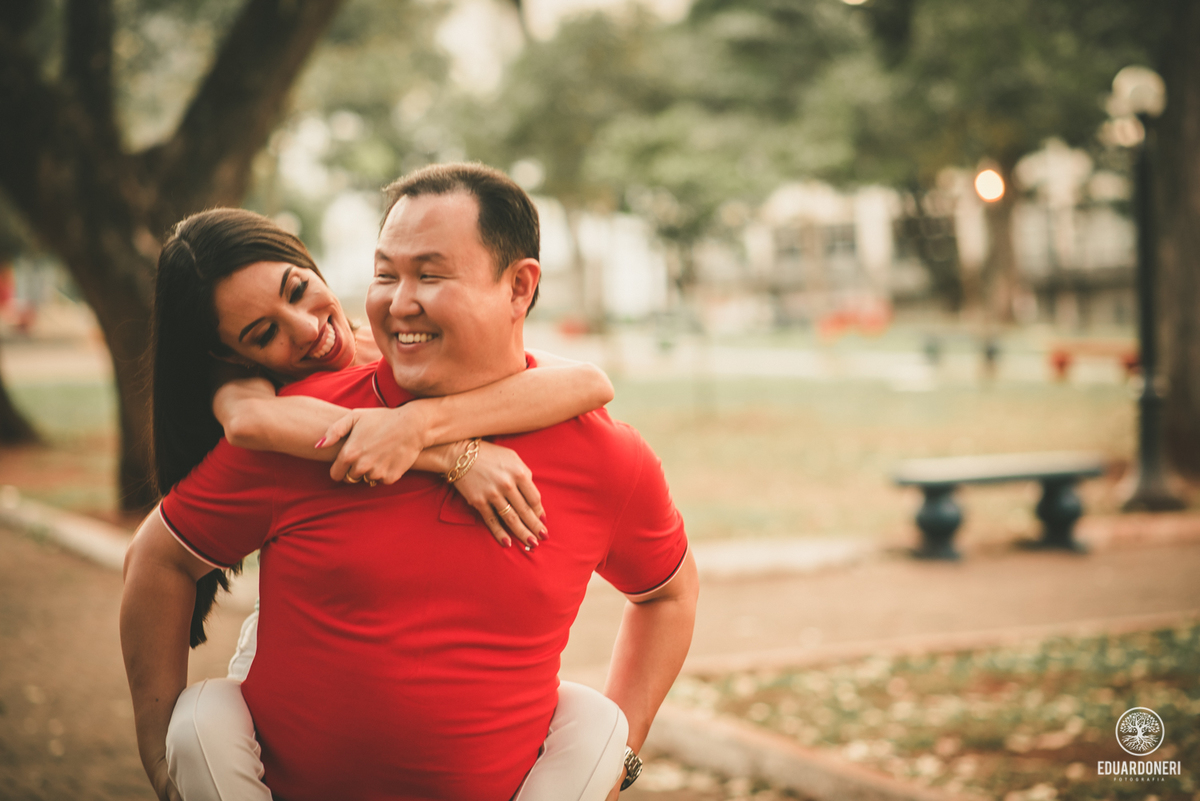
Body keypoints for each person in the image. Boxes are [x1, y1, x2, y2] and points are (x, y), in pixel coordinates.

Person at [121, 163, 699, 801]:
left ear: (519, 287)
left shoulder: (604, 455)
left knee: (597, 725)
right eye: (385, 274)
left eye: (429, 274)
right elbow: (161, 559)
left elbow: (668, 592)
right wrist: (156, 750)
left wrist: (626, 756)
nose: (399, 302)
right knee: (199, 723)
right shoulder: (295, 429)